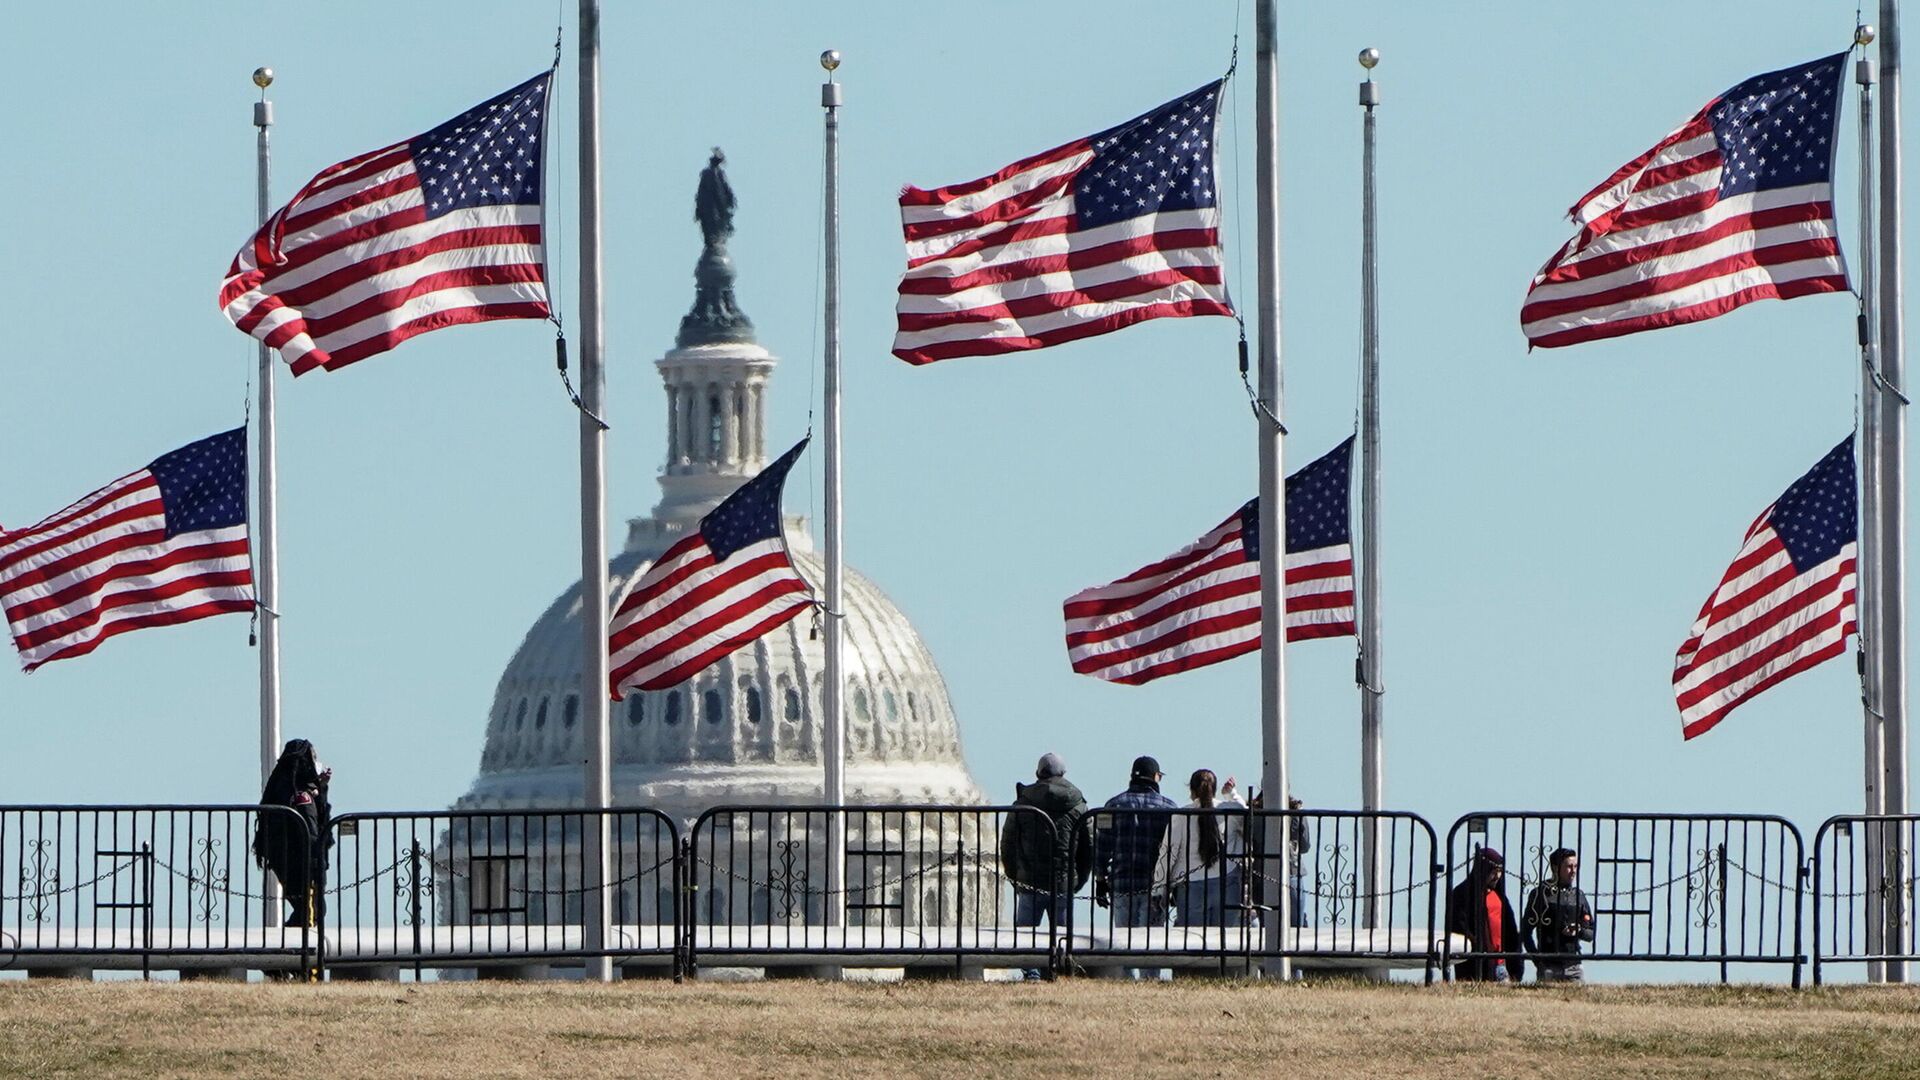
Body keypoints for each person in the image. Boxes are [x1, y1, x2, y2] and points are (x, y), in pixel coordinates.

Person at [999, 752, 1091, 980]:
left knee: (1025, 935)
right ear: (1063, 774)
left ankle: (1031, 974)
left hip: (1029, 880)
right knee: (1061, 933)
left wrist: (1015, 875)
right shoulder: (1078, 804)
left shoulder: (1022, 803)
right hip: (1063, 880)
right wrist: (1078, 879)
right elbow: (1087, 848)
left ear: (1039, 773)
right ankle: (1056, 972)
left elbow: (1008, 843)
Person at [1093, 755, 1177, 979]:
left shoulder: (1113, 805)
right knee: (1151, 942)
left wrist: (1100, 879)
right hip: (1155, 886)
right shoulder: (1169, 809)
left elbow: (1102, 846)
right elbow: (1175, 850)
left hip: (1122, 882)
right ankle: (1150, 981)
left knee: (1123, 941)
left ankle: (1125, 982)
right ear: (1156, 777)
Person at [1152, 769, 1247, 931]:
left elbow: (1168, 854)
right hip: (1227, 883)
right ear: (1215, 789)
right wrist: (1232, 794)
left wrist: (1158, 889)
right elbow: (1246, 814)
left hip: (1190, 887)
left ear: (1192, 790)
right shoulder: (1230, 811)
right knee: (1224, 942)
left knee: (1192, 943)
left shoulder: (1180, 816)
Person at [254, 738, 333, 927]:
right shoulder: (301, 796)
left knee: (304, 910)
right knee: (312, 912)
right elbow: (312, 828)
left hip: (284, 859)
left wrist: (321, 789)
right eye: (314, 758)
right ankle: (304, 951)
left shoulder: (282, 789)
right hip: (302, 862)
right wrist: (318, 860)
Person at [1446, 846, 1523, 983]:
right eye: (1493, 872)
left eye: (1500, 871)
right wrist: (1478, 947)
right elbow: (1458, 926)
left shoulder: (1499, 895)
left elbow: (1510, 930)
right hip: (1474, 963)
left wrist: (1516, 964)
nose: (1497, 876)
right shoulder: (1462, 893)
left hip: (1501, 963)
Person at [1524, 847, 1595, 983]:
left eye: (1575, 866)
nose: (1573, 871)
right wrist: (1537, 960)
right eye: (1569, 866)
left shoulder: (1578, 896)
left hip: (1573, 964)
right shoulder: (1541, 894)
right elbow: (1526, 931)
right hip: (1548, 964)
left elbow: (1590, 934)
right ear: (1555, 868)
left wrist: (1579, 930)